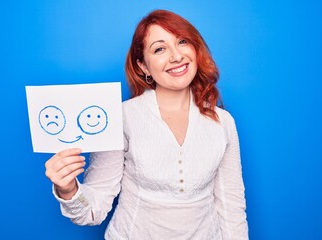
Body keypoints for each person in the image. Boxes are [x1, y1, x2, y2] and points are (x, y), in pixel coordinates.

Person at [45, 9, 248, 240]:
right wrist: (68, 189)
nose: (176, 56)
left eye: (182, 42)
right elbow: (93, 210)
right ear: (143, 66)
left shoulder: (223, 122)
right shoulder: (122, 117)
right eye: (160, 49)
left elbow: (232, 208)